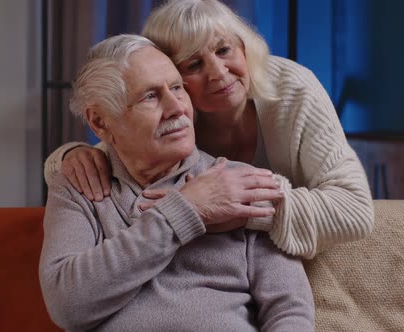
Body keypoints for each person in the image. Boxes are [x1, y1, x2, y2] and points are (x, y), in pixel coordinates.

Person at [44, 0, 374, 258]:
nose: (218, 73)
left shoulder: (292, 89)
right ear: (170, 76)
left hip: (287, 261)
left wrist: (239, 210)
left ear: (244, 47)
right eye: (194, 64)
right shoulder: (174, 115)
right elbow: (106, 159)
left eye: (224, 49)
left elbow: (354, 210)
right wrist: (70, 156)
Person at [39, 34, 314, 331]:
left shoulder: (238, 182)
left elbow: (290, 310)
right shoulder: (80, 185)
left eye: (177, 89)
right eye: (151, 96)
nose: (178, 108)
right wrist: (185, 209)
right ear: (101, 122)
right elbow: (68, 306)